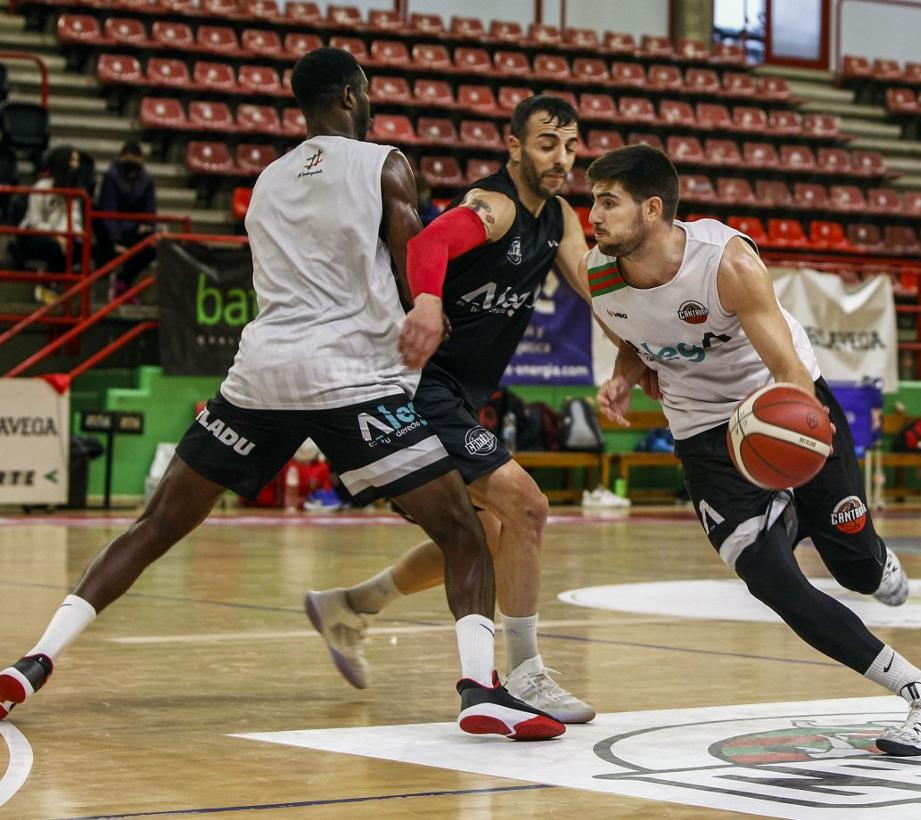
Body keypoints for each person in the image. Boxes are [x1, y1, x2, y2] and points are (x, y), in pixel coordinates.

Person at [0, 48, 563, 742]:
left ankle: (33, 660)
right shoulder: (385, 162)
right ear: (355, 95)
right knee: (462, 532)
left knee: (154, 527)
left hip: (262, 372)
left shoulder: (266, 180)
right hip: (352, 376)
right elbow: (411, 247)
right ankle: (481, 690)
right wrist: (425, 304)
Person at [585, 144, 921, 756]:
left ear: (652, 209)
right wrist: (622, 379)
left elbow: (788, 370)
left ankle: (864, 549)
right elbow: (640, 338)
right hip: (703, 434)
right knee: (771, 579)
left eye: (608, 202)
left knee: (857, 571)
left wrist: (785, 444)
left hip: (786, 408)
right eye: (593, 202)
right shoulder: (600, 273)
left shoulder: (726, 262)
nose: (594, 216)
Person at [304, 94, 596, 724]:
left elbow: (594, 287)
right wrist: (429, 303)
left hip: (458, 395)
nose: (562, 158)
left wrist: (636, 353)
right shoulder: (491, 206)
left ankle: (351, 606)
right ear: (514, 146)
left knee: (485, 533)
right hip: (414, 383)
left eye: (571, 146)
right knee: (525, 506)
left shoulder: (562, 217)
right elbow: (429, 242)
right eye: (548, 143)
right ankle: (525, 674)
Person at [11, 145, 85, 304]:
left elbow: (75, 218)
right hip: (34, 234)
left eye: (77, 160)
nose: (76, 165)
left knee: (80, 247)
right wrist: (55, 235)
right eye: (72, 160)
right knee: (54, 248)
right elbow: (34, 220)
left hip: (63, 236)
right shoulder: (42, 187)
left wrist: (65, 235)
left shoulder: (76, 192)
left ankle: (53, 281)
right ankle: (47, 283)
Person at [96, 140, 157, 299]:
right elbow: (109, 208)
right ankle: (116, 284)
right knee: (106, 241)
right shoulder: (111, 177)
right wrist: (116, 241)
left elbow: (150, 210)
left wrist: (147, 226)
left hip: (135, 231)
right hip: (112, 231)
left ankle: (123, 281)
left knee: (152, 246)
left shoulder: (147, 180)